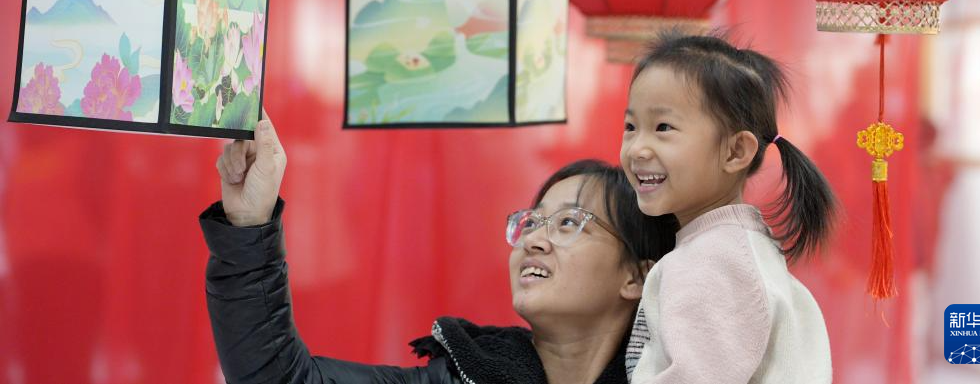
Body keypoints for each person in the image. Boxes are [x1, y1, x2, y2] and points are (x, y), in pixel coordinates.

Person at [201, 118, 678, 384]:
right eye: (531, 222)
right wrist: (249, 223)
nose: (533, 239)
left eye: (569, 223)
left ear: (636, 277)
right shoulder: (458, 376)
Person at [620, 31, 837, 383]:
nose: (636, 149)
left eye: (663, 127)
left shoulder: (714, 261)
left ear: (735, 152)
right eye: (631, 127)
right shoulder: (731, 249)